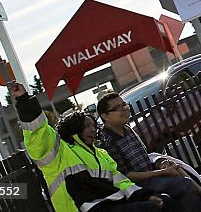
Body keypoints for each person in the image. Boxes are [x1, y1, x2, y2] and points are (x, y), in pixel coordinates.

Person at [9, 81, 165, 211]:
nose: (93, 129)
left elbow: (121, 181)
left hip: (111, 205)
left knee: (163, 201)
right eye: (87, 126)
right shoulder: (59, 153)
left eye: (94, 126)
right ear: (74, 129)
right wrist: (24, 100)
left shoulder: (101, 154)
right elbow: (37, 132)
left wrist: (145, 196)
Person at [97, 92, 201, 211]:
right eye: (118, 107)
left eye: (124, 104)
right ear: (105, 116)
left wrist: (160, 164)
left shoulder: (128, 129)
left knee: (189, 180)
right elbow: (125, 176)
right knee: (184, 185)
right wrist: (162, 172)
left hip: (151, 179)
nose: (125, 109)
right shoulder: (107, 142)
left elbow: (145, 158)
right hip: (136, 187)